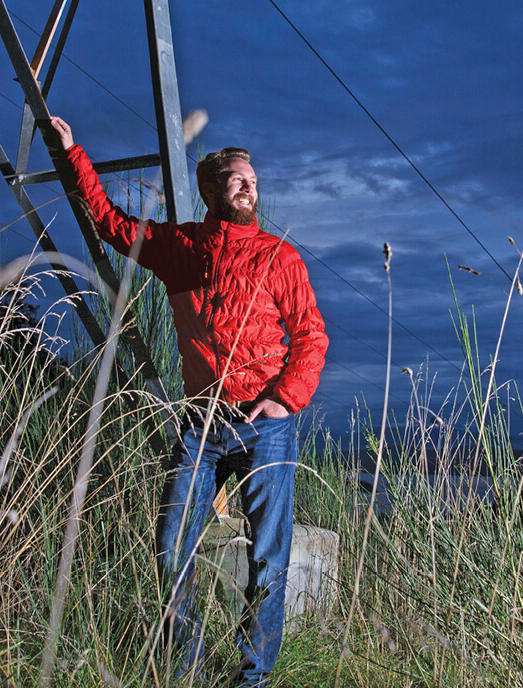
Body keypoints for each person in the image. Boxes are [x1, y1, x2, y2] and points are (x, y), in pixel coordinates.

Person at [48, 116, 328, 685]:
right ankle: (189, 668)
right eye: (237, 180)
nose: (249, 186)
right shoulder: (181, 250)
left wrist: (284, 399)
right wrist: (73, 153)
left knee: (268, 561)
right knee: (171, 546)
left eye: (252, 179)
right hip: (201, 423)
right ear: (210, 191)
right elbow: (108, 222)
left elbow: (311, 336)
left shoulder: (279, 257)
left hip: (266, 424)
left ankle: (251, 680)